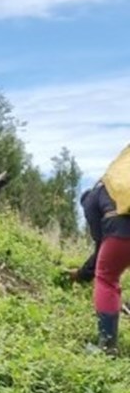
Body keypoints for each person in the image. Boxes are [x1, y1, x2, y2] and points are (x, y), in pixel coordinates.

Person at [69, 146, 130, 355]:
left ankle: (106, 347)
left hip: (121, 232)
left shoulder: (91, 200)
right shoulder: (119, 183)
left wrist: (82, 274)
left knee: (106, 278)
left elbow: (101, 245)